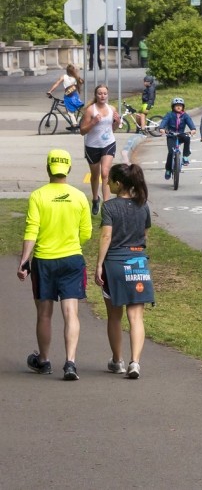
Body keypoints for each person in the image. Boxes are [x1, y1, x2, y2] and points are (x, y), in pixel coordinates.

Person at [18, 149, 92, 380]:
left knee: (45, 314)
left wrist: (24, 261)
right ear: (68, 169)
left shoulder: (38, 196)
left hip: (44, 261)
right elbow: (87, 232)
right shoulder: (79, 196)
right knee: (71, 312)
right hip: (72, 259)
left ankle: (44, 360)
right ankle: (70, 363)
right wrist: (71, 244)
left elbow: (32, 229)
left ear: (48, 168)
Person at [95, 163, 153, 379]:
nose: (107, 183)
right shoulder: (143, 206)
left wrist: (99, 264)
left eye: (109, 180)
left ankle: (117, 360)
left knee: (114, 316)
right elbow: (144, 234)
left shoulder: (109, 207)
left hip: (115, 266)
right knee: (136, 316)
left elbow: (106, 237)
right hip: (138, 262)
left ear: (118, 184)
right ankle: (135, 362)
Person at [80, 84, 120, 214]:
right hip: (92, 146)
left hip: (108, 143)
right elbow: (82, 131)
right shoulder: (91, 110)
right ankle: (95, 198)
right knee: (95, 175)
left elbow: (113, 129)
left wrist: (117, 122)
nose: (102, 96)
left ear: (107, 95)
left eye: (105, 93)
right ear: (96, 95)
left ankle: (106, 205)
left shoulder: (112, 109)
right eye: (100, 93)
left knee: (105, 173)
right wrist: (93, 122)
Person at [158, 97, 197, 180]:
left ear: (183, 107)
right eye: (176, 106)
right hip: (171, 135)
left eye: (180, 106)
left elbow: (190, 123)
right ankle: (168, 169)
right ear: (173, 107)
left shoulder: (185, 115)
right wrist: (162, 128)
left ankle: (185, 156)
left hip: (181, 134)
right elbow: (164, 122)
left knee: (187, 138)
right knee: (171, 152)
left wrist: (193, 129)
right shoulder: (169, 114)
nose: (179, 107)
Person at [47, 63, 84, 128]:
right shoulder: (76, 78)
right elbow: (81, 82)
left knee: (70, 112)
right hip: (75, 96)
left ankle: (74, 124)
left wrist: (50, 91)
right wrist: (77, 74)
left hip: (68, 97)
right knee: (72, 109)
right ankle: (74, 122)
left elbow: (56, 84)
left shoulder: (64, 77)